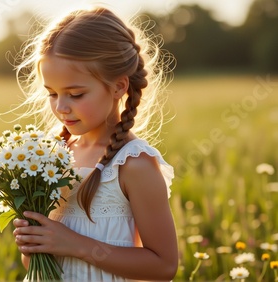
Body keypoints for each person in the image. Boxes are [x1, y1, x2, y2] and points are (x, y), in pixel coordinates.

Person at [11, 5, 178, 281]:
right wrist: (34, 241)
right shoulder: (50, 159)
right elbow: (35, 264)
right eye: (52, 94)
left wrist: (75, 244)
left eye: (75, 94)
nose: (61, 107)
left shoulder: (133, 164)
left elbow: (163, 266)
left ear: (119, 87)